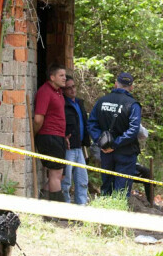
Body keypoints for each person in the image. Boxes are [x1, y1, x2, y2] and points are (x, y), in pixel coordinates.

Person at [87, 72, 142, 195]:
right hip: (126, 152)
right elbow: (134, 130)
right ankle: (119, 207)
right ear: (131, 87)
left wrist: (102, 143)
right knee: (121, 191)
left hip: (106, 152)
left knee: (107, 187)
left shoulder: (101, 101)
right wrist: (115, 144)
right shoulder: (133, 105)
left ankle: (106, 206)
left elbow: (91, 124)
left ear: (116, 84)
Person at [34, 64, 67, 203]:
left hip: (58, 137)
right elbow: (38, 118)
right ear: (52, 77)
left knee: (59, 175)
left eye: (65, 75)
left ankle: (42, 204)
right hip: (49, 136)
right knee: (55, 174)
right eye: (61, 75)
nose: (64, 78)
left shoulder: (58, 92)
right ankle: (58, 210)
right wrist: (35, 134)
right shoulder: (45, 91)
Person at [61, 75, 90, 205]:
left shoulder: (79, 103)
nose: (72, 90)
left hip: (79, 146)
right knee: (66, 181)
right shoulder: (62, 104)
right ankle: (65, 208)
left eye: (73, 86)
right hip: (68, 148)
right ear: (63, 90)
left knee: (82, 180)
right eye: (69, 88)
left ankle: (81, 207)